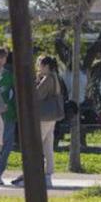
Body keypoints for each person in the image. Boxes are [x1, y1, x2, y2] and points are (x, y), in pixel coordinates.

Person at [31, 56, 65, 188]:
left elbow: (37, 95)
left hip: (44, 116)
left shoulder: (47, 78)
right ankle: (48, 174)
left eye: (39, 65)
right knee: (48, 146)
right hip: (52, 116)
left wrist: (37, 80)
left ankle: (36, 172)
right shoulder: (55, 77)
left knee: (37, 144)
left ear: (45, 66)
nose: (38, 68)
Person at [0, 47, 18, 185]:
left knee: (7, 145)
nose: (0, 60)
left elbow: (15, 95)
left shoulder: (9, 75)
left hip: (8, 115)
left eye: (3, 57)